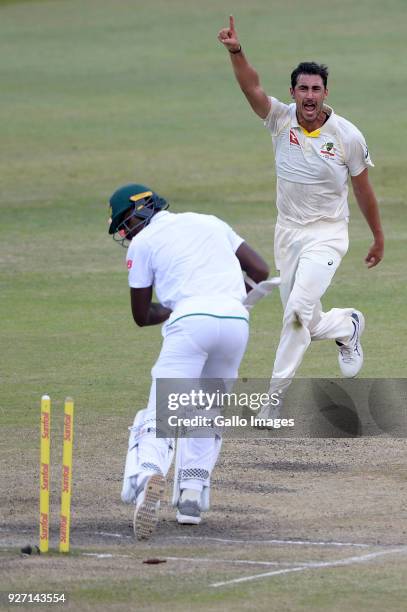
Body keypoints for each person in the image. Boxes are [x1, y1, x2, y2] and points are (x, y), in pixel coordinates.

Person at [218, 16, 384, 404]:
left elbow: (363, 190)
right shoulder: (280, 119)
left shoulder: (347, 136)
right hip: (288, 233)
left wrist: (378, 236)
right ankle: (346, 325)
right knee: (306, 318)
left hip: (327, 234)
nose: (309, 97)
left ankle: (273, 398)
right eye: (303, 89)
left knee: (294, 313)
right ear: (292, 92)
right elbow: (251, 87)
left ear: (326, 92)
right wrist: (237, 52)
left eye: (316, 89)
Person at [108, 182, 270, 539]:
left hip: (189, 323)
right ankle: (191, 499)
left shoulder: (143, 243)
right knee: (207, 410)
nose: (124, 231)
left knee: (160, 410)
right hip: (235, 322)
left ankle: (148, 472)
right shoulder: (210, 221)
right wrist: (223, 298)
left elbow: (141, 314)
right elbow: (260, 270)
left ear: (141, 211)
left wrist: (177, 307)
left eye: (125, 223)